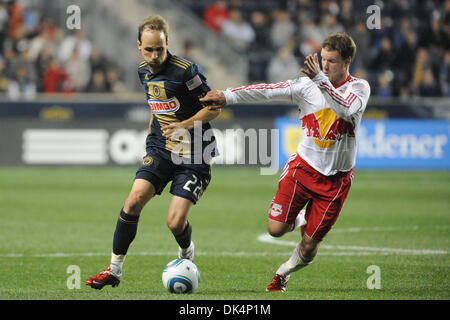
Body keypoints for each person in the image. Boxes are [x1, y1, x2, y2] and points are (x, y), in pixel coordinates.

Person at [200, 32, 370, 292]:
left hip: (336, 180)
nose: (325, 66)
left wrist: (320, 80)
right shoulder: (306, 85)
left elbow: (345, 110)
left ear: (347, 61)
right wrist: (227, 95)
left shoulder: (359, 88)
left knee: (310, 246)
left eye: (332, 61)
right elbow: (267, 92)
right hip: (302, 169)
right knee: (275, 229)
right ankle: (299, 217)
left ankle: (283, 273)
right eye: (323, 59)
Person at [86, 15, 220, 290]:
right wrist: (152, 134)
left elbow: (214, 108)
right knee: (133, 200)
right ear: (139, 46)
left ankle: (186, 254)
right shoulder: (142, 72)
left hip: (194, 152)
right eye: (149, 49)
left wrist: (183, 125)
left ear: (167, 43)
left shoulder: (187, 71)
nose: (155, 55)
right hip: (160, 148)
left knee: (174, 222)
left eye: (160, 48)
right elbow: (155, 103)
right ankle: (114, 270)